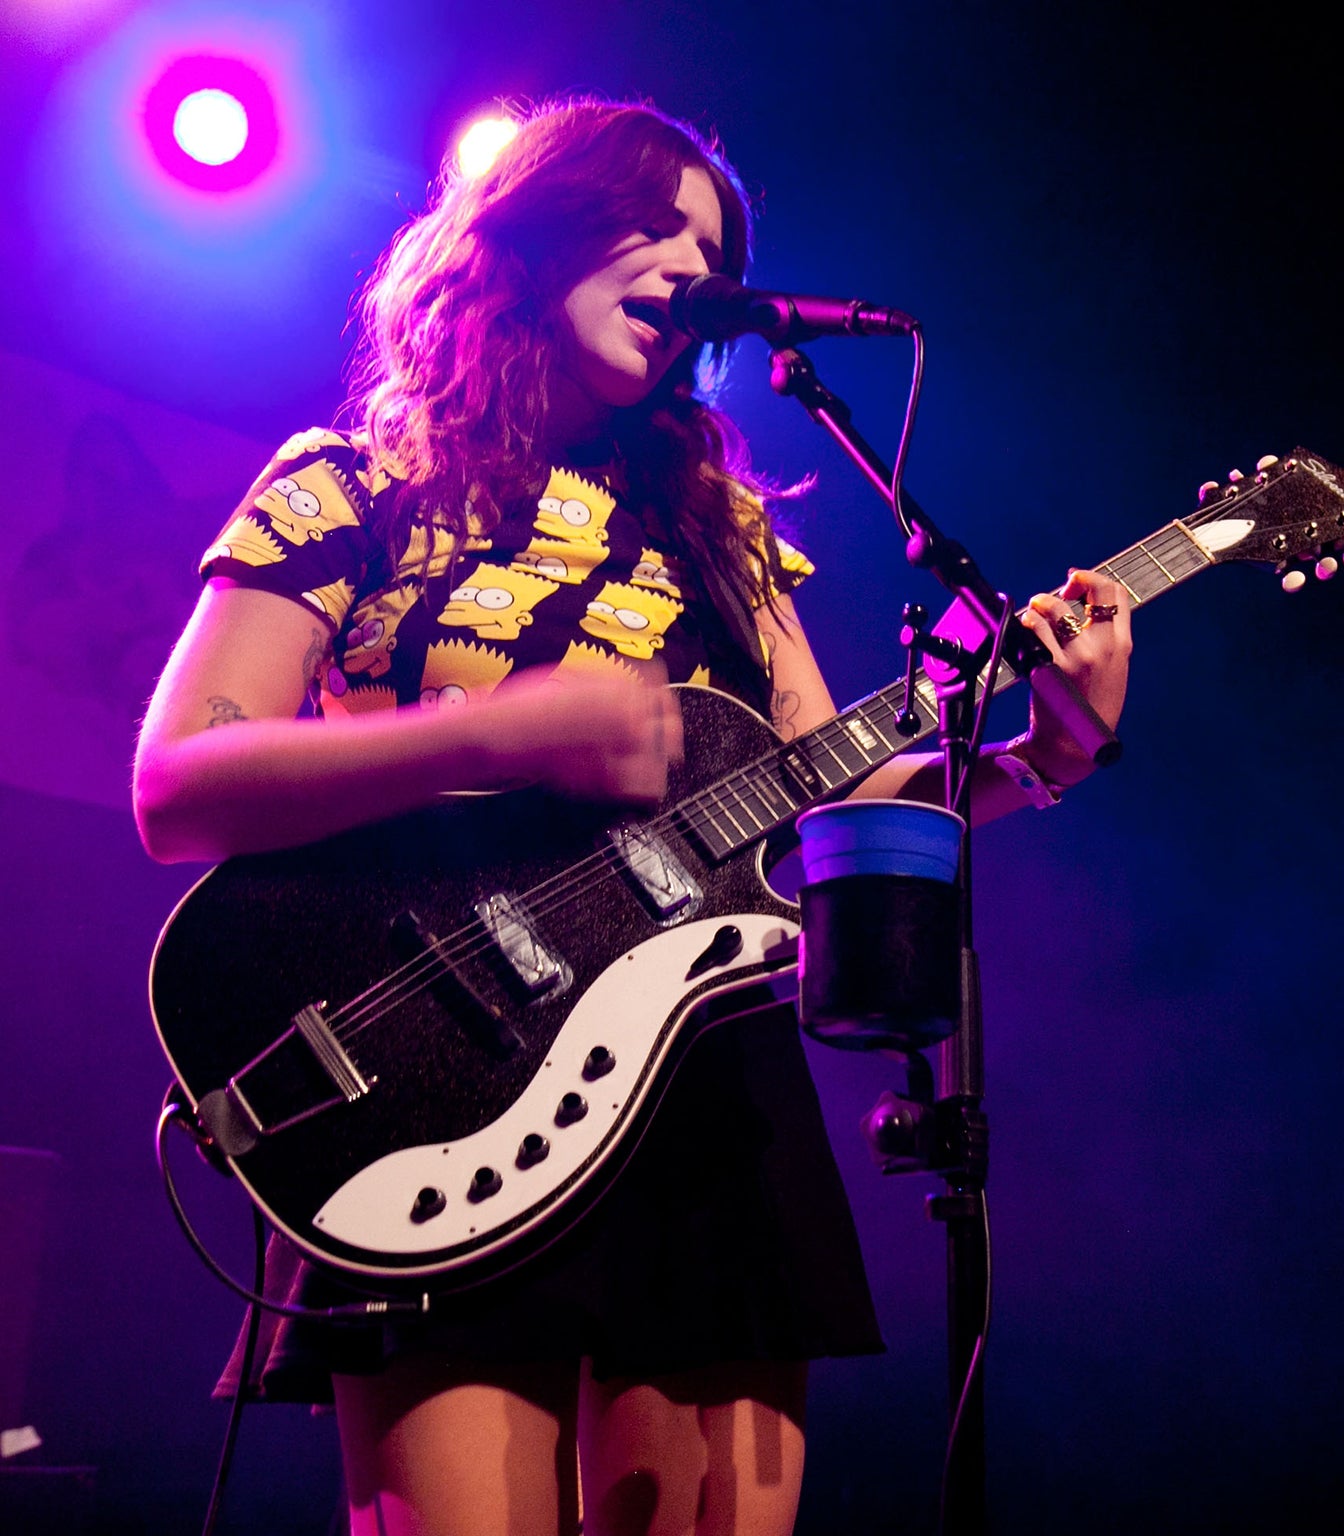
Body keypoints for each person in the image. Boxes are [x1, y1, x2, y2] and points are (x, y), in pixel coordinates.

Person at [131, 97, 1132, 1536]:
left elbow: (829, 806)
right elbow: (180, 785)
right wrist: (500, 733)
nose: (688, 260)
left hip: (704, 1089)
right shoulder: (346, 485)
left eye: (712, 244)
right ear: (529, 237)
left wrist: (1044, 750)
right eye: (650, 222)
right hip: (438, 1078)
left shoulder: (720, 531)